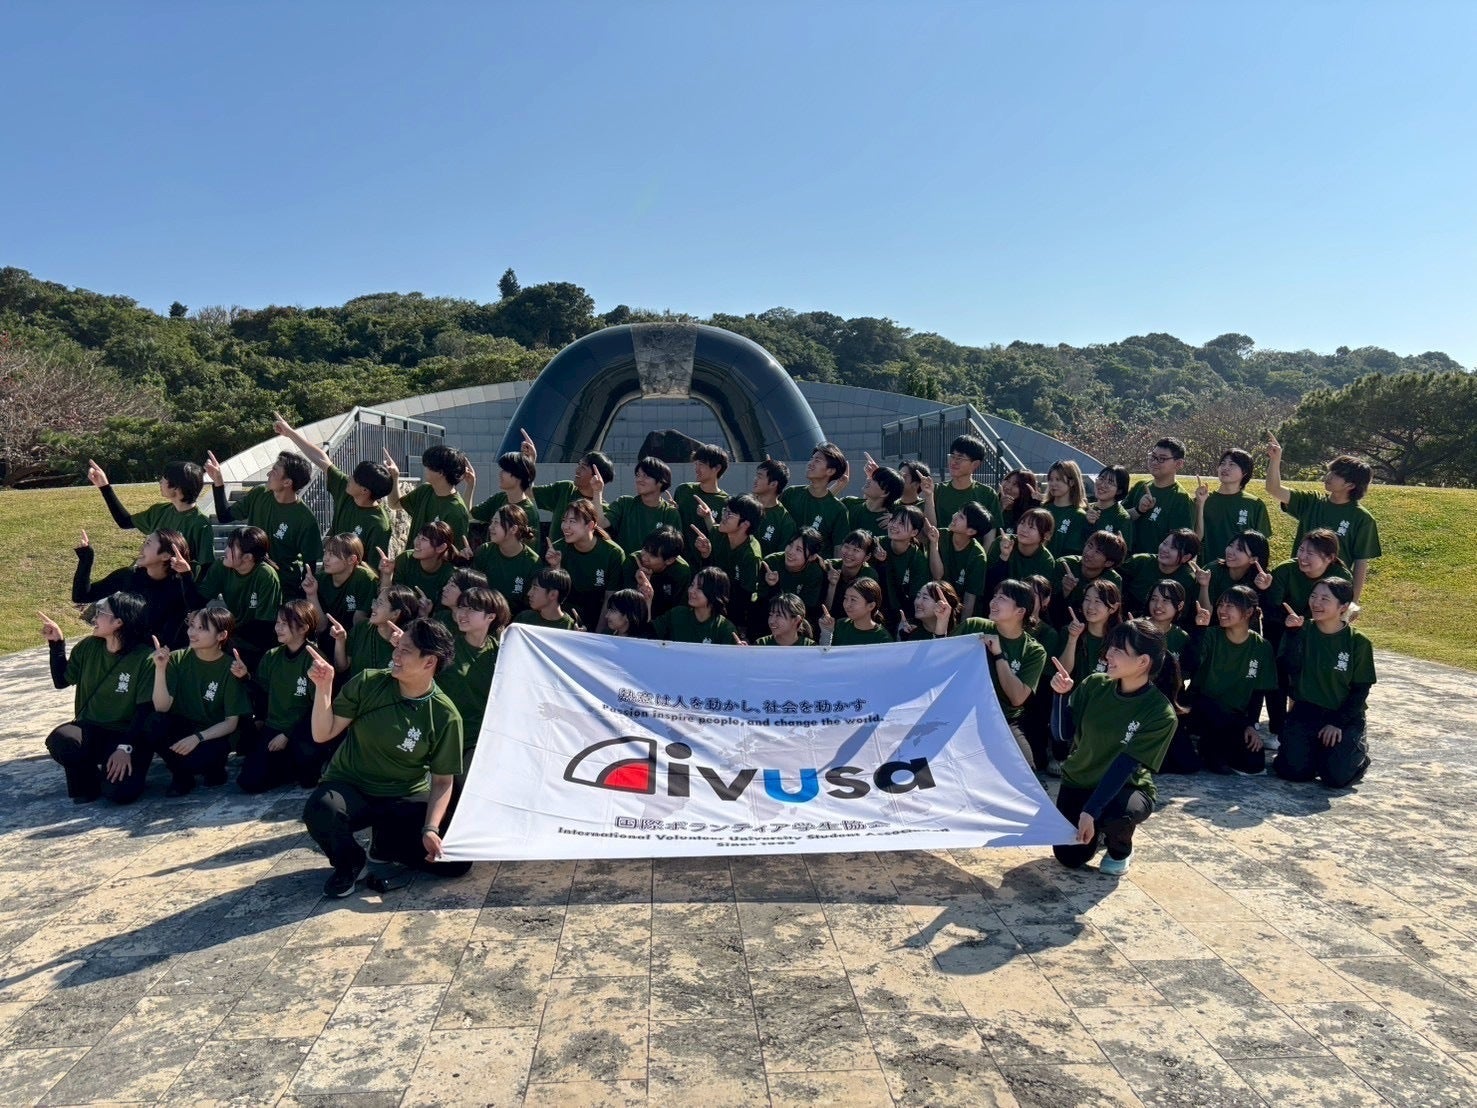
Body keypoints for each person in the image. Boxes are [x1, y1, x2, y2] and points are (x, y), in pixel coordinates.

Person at [301, 617, 466, 897]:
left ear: (429, 661)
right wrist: (324, 687)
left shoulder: (444, 715)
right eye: (397, 647)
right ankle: (350, 863)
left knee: (456, 863)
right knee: (322, 809)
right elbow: (322, 733)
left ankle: (384, 846)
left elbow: (442, 781)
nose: (395, 655)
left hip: (402, 794)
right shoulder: (369, 682)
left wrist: (430, 828)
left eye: (405, 651)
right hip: (352, 787)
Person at [1048, 620, 1180, 875]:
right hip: (1079, 779)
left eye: (1118, 650)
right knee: (1069, 857)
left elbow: (1123, 766)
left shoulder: (1160, 713)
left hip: (1124, 786)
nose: (1108, 654)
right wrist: (1060, 695)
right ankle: (1097, 827)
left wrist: (1090, 811)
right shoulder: (1094, 685)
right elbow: (1062, 736)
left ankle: (1120, 849)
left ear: (1142, 661)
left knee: (1119, 814)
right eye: (1110, 647)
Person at [41, 593, 154, 804]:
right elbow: (62, 681)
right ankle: (88, 781)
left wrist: (125, 747)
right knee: (62, 739)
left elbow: (145, 711)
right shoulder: (88, 646)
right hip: (92, 728)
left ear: (118, 622)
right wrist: (56, 644)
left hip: (128, 734)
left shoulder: (145, 657)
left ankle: (117, 775)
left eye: (101, 613)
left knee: (119, 794)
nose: (94, 617)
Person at [1272, 578, 1375, 788]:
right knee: (1292, 771)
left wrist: (1337, 722)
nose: (1316, 603)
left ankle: (1358, 754)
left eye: (1325, 599)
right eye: (1313, 596)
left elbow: (1361, 689)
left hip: (1343, 714)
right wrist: (1292, 634)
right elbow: (1287, 669)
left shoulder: (1358, 642)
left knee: (1336, 778)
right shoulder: (1301, 630)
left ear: (1343, 607)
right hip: (1307, 710)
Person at [146, 606, 252, 797]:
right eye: (192, 626)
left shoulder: (230, 667)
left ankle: (214, 770)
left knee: (208, 760)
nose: (192, 632)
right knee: (153, 722)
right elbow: (161, 706)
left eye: (201, 628)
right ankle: (181, 777)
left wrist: (198, 738)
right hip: (183, 728)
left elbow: (231, 723)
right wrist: (160, 669)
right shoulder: (177, 659)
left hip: (212, 735)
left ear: (221, 635)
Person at [1265, 434, 1380, 603]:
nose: (1329, 476)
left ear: (1350, 485)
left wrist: (1353, 601)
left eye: (1337, 474)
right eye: (1331, 471)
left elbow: (1361, 563)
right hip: (1297, 584)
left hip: (1332, 592)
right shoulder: (1312, 501)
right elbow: (1273, 489)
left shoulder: (1362, 518)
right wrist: (1275, 459)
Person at [271, 411, 394, 558]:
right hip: (332, 567)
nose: (349, 478)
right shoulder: (346, 489)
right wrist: (290, 433)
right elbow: (322, 460)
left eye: (354, 478)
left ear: (364, 490)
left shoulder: (379, 525)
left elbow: (374, 566)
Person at [951, 580, 1048, 764]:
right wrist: (942, 623)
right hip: (961, 712)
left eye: (1002, 598)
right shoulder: (973, 626)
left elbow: (1017, 698)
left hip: (1003, 718)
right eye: (994, 596)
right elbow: (943, 659)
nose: (993, 602)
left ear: (1020, 611)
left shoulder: (1034, 651)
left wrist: (999, 655)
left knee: (1025, 769)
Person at [234, 600, 326, 793]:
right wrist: (245, 677)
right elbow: (261, 691)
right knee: (249, 782)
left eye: (285, 623)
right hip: (274, 726)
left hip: (304, 729)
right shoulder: (272, 656)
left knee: (308, 779)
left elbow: (319, 707)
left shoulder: (315, 659)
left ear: (303, 628)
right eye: (277, 622)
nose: (278, 628)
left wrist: (288, 734)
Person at [1187, 586, 1278, 776]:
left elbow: (1258, 691)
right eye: (1221, 604)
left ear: (1249, 612)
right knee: (1215, 722)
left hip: (1235, 716)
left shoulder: (1262, 647)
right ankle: (1210, 751)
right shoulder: (1210, 635)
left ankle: (1213, 750)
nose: (1222, 610)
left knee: (1255, 762)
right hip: (1202, 707)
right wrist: (1199, 630)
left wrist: (1251, 724)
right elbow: (1190, 664)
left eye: (1230, 606)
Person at [206, 446, 323, 590]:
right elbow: (224, 516)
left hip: (283, 586)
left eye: (274, 471)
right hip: (252, 580)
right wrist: (218, 481)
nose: (268, 473)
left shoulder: (305, 518)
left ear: (287, 482)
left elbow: (310, 565)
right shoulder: (260, 493)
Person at [72, 527, 200, 648]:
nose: (141, 548)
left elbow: (196, 608)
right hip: (127, 651)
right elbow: (82, 596)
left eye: (148, 544)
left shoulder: (179, 586)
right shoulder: (130, 576)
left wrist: (186, 575)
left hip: (160, 655)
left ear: (165, 556)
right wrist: (86, 559)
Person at [85, 457, 215, 570]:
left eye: (164, 479)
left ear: (176, 487)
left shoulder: (201, 525)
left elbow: (206, 567)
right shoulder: (159, 511)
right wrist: (104, 486)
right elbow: (124, 522)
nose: (160, 482)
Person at [514, 430, 615, 550]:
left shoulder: (602, 509)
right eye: (579, 465)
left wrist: (597, 492)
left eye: (583, 467)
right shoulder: (566, 489)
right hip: (554, 558)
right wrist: (530, 462)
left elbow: (601, 526)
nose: (577, 470)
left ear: (597, 476)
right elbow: (527, 492)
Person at [436, 587, 507, 757]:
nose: (463, 613)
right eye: (461, 607)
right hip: (443, 736)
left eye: (472, 609)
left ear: (490, 617)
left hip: (480, 741)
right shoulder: (447, 648)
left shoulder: (501, 653)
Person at [196, 526, 283, 662]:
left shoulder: (266, 575)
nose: (225, 550)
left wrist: (223, 633)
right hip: (235, 632)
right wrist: (184, 574)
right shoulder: (221, 567)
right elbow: (198, 601)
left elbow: (264, 625)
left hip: (259, 639)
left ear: (248, 557)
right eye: (227, 545)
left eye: (231, 547)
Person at [691, 495, 764, 638]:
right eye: (725, 511)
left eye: (729, 514)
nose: (723, 516)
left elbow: (745, 597)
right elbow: (707, 573)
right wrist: (706, 554)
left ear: (745, 524)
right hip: (713, 599)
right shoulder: (718, 534)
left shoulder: (751, 556)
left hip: (736, 609)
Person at [548, 499, 626, 631]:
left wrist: (598, 634)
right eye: (564, 520)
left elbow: (610, 597)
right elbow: (554, 595)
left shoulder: (613, 553)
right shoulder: (557, 549)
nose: (565, 526)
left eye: (572, 521)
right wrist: (555, 567)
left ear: (590, 525)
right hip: (567, 616)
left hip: (601, 615)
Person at [385, 443, 474, 546]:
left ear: (440, 472)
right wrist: (394, 476)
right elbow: (394, 504)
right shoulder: (425, 490)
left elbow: (456, 552)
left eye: (428, 466)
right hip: (412, 556)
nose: (425, 469)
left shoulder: (456, 512)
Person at [1196, 448, 1272, 562]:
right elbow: (1195, 538)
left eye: (1232, 464)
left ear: (1244, 472)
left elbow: (1260, 546)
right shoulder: (1203, 499)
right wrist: (1200, 504)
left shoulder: (1255, 504)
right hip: (1207, 568)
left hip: (1241, 570)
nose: (1225, 468)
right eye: (1222, 463)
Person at [925, 435, 1002, 546]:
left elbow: (989, 535)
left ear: (975, 464)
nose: (954, 462)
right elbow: (929, 528)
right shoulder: (936, 490)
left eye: (960, 458)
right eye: (952, 456)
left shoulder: (987, 494)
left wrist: (983, 557)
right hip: (938, 552)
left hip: (973, 555)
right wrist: (928, 496)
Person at [598, 457, 682, 555]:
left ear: (661, 482)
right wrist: (597, 491)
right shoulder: (624, 503)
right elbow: (601, 523)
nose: (639, 480)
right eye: (637, 475)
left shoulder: (670, 513)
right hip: (625, 564)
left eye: (645, 476)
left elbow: (673, 550)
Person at [471, 504, 542, 616]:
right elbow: (473, 589)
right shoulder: (485, 551)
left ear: (513, 529)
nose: (490, 527)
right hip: (483, 614)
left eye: (496, 522)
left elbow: (531, 604)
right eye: (491, 522)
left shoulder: (532, 562)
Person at [780, 443, 850, 555]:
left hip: (817, 565)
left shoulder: (838, 510)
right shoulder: (791, 493)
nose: (810, 463)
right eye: (811, 459)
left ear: (830, 471)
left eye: (817, 460)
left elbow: (838, 550)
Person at [304, 534, 379, 638]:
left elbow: (358, 622)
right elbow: (321, 626)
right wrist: (311, 594)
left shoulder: (365, 579)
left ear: (351, 559)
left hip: (355, 638)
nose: (325, 559)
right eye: (325, 552)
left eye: (332, 554)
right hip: (328, 637)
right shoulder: (320, 580)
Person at [1127, 438, 1194, 555]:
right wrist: (1138, 510)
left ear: (1178, 464)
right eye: (1153, 456)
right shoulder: (1140, 486)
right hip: (1128, 561)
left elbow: (1181, 544)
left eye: (1162, 459)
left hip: (1157, 563)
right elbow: (1119, 518)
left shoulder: (1181, 499)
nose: (1154, 462)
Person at [338, 584, 421, 678]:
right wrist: (340, 640)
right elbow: (341, 667)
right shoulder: (363, 627)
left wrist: (404, 646)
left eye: (380, 603)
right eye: (375, 602)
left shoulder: (411, 643)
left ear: (395, 613)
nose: (373, 607)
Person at [927, 501, 989, 621]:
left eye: (961, 516)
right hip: (935, 603)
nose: (954, 515)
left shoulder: (978, 556)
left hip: (958, 612)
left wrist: (961, 627)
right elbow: (937, 575)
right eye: (957, 512)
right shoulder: (940, 536)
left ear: (971, 531)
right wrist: (934, 544)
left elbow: (969, 598)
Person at [469, 451, 542, 553]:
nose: (500, 474)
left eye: (505, 470)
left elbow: (528, 553)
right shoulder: (499, 498)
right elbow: (470, 515)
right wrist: (470, 485)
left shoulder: (529, 512)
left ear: (518, 474)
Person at [1052, 530, 1126, 629]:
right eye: (1090, 546)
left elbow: (1109, 615)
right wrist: (1065, 591)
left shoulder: (1112, 580)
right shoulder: (1065, 565)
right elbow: (1048, 605)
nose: (1089, 553)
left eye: (1098, 552)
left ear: (1108, 563)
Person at [1120, 529, 1200, 619]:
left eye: (1173, 548)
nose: (1164, 549)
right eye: (1165, 543)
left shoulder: (1187, 579)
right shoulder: (1140, 561)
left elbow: (1181, 615)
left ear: (1186, 557)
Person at [649, 567, 741, 644]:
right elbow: (648, 635)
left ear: (714, 594)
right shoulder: (676, 615)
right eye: (692, 585)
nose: (691, 591)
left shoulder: (725, 629)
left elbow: (732, 657)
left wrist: (742, 652)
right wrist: (648, 601)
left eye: (699, 588)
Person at [1057, 580, 1124, 684]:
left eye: (1097, 601)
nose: (1090, 607)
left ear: (1113, 608)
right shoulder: (1069, 631)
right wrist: (1072, 638)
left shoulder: (1122, 639)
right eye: (1087, 599)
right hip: (1074, 692)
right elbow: (1063, 673)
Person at [382, 522, 459, 613]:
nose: (417, 542)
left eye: (424, 539)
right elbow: (385, 601)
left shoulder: (449, 575)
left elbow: (444, 614)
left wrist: (425, 614)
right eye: (418, 536)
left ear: (441, 548)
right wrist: (387, 575)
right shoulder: (405, 559)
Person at [623, 524, 691, 620]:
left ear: (669, 560)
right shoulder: (632, 562)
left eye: (652, 555)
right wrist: (639, 588)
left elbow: (678, 611)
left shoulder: (681, 571)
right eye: (645, 549)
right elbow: (624, 608)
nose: (644, 557)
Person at [877, 506, 930, 628]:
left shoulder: (917, 559)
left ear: (914, 532)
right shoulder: (878, 545)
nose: (894, 525)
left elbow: (915, 598)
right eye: (893, 520)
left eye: (901, 523)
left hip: (901, 616)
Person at [759, 528, 826, 624]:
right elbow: (760, 602)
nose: (790, 552)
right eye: (790, 544)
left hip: (796, 622)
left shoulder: (814, 572)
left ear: (812, 557)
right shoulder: (771, 563)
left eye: (798, 549)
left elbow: (807, 609)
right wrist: (772, 587)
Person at [985, 506, 1057, 596]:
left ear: (1046, 535)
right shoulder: (1003, 542)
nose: (1024, 529)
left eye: (1031, 527)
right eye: (1022, 523)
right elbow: (988, 582)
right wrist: (1003, 557)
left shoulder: (1046, 560)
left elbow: (1038, 596)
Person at [1198, 529, 1272, 612]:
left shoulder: (1261, 579)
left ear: (1253, 559)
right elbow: (1204, 613)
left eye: (1239, 549)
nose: (1230, 551)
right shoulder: (1212, 570)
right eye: (1231, 545)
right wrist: (1204, 586)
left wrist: (1263, 589)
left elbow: (1261, 614)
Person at [674, 443, 731, 537]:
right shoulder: (683, 490)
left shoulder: (726, 502)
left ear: (717, 468)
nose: (696, 469)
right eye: (695, 464)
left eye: (701, 464)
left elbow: (722, 538)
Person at [819, 577, 892, 646]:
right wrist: (827, 632)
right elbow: (825, 653)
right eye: (846, 598)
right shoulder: (841, 625)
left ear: (871, 606)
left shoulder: (883, 638)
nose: (847, 604)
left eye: (853, 600)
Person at [840, 461, 903, 542]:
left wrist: (898, 521)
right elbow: (824, 506)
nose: (868, 480)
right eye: (872, 477)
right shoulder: (848, 503)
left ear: (885, 493)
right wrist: (839, 484)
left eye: (875, 480)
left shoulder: (889, 522)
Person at [822, 530, 881, 615]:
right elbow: (823, 610)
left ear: (867, 557)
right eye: (846, 547)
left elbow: (866, 611)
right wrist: (832, 585)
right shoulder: (828, 566)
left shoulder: (869, 575)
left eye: (856, 550)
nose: (849, 553)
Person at [750, 457, 798, 558]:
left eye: (760, 477)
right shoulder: (744, 505)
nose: (755, 480)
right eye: (756, 476)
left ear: (773, 484)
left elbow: (780, 557)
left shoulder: (785, 521)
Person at [1043, 461, 1090, 557]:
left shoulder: (1078, 515)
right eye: (1050, 479)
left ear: (1072, 482)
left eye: (1058, 479)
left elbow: (1074, 551)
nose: (1053, 483)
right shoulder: (1044, 508)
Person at [512, 567, 580, 631]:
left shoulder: (571, 628)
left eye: (535, 588)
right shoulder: (524, 619)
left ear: (553, 594)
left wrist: (580, 636)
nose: (529, 593)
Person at [1084, 465, 1134, 548]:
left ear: (1119, 491)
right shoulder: (1084, 508)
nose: (1102, 485)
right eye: (1101, 478)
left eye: (1110, 482)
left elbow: (1123, 551)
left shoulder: (1122, 518)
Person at [897, 580, 962, 641]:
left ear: (942, 604)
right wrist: (903, 639)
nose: (917, 602)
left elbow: (940, 648)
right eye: (918, 596)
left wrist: (942, 624)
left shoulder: (960, 635)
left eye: (925, 598)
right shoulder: (913, 633)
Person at [996, 468, 1041, 533]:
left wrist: (1035, 505)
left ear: (1025, 490)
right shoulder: (991, 502)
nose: (1008, 487)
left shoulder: (1031, 510)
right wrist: (1000, 509)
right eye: (1008, 481)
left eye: (1015, 484)